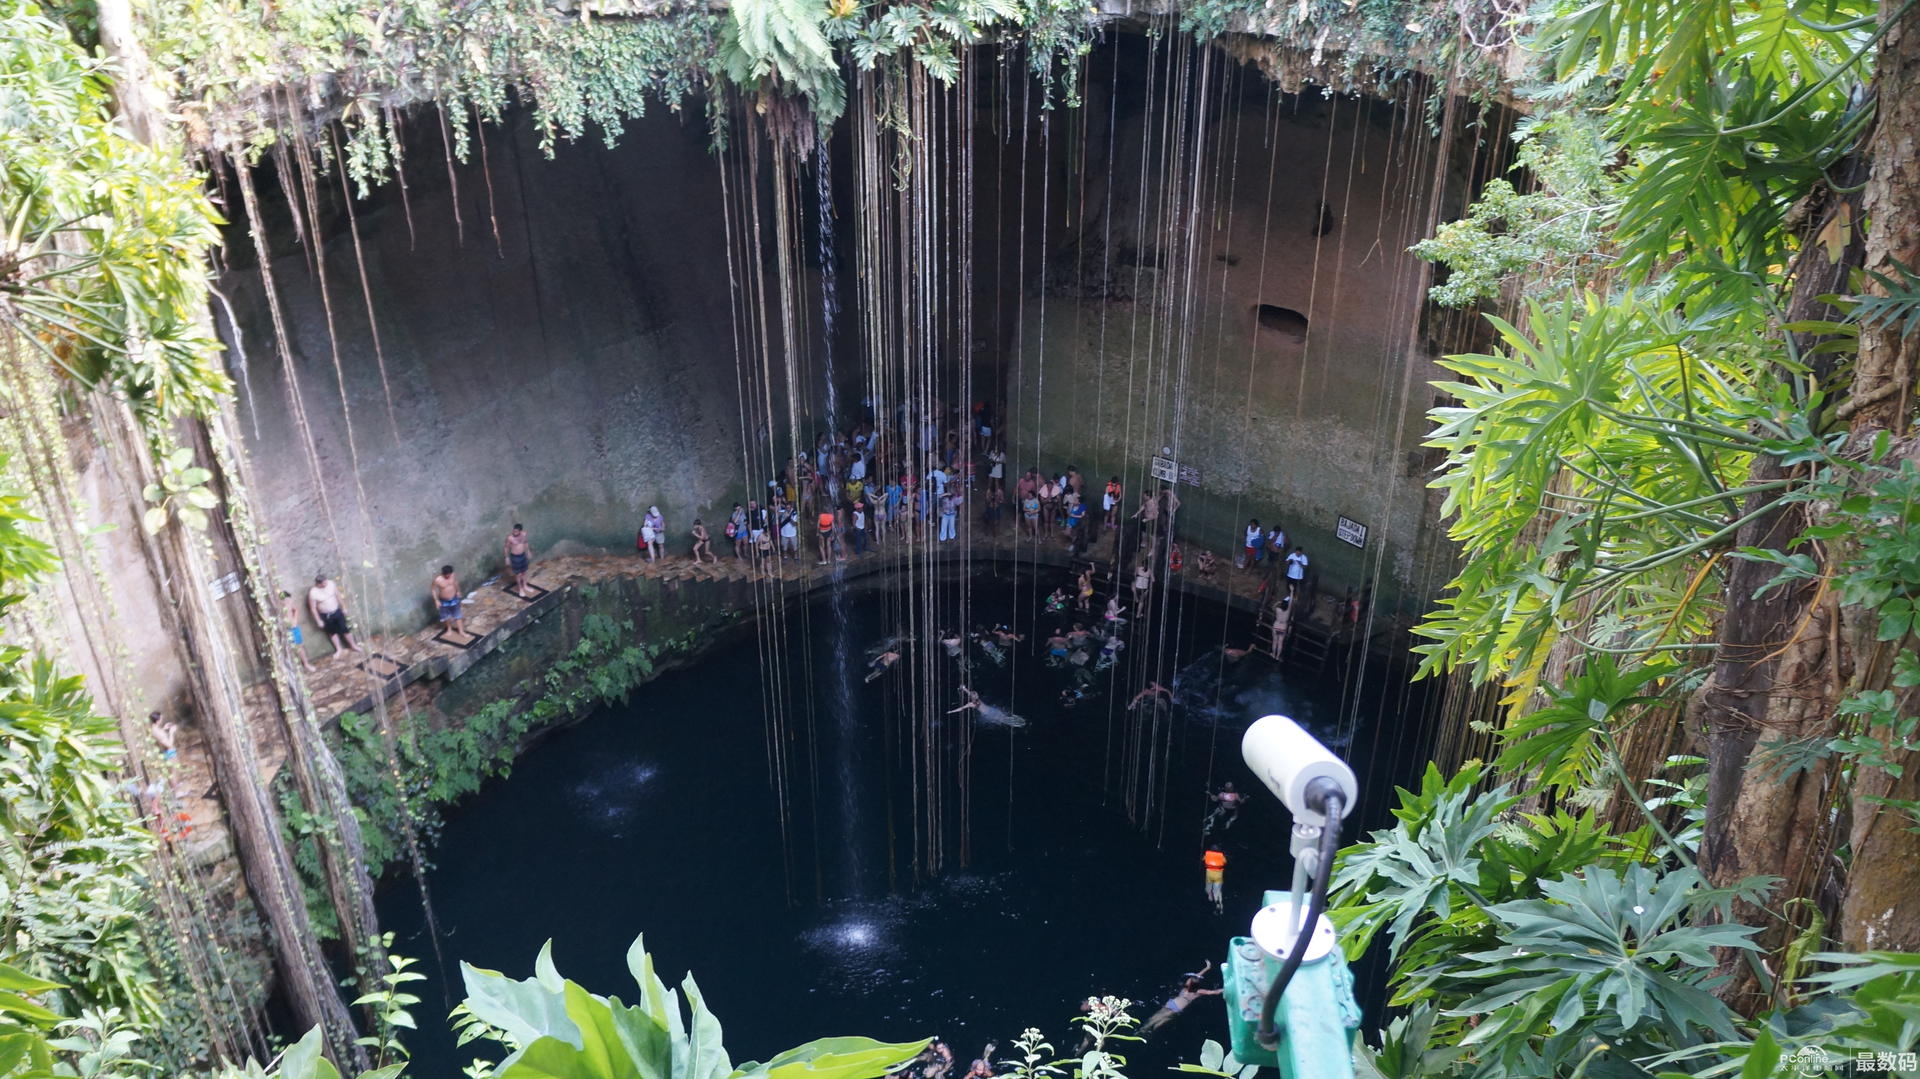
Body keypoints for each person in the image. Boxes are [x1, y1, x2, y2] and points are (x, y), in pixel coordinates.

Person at [1139, 967, 1222, 1036]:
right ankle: (1147, 1034)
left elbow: (1197, 976)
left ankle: (1142, 1031)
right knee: (1161, 1021)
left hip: (1172, 1003)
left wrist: (1207, 968)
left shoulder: (1187, 986)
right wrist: (1225, 988)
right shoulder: (1198, 992)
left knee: (1156, 1018)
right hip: (1177, 1008)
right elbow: (1214, 992)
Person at [308, 574, 358, 654]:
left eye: (326, 582)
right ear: (318, 584)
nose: (326, 584)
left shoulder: (331, 584)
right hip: (325, 615)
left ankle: (353, 645)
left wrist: (344, 607)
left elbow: (338, 596)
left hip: (337, 611)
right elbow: (313, 608)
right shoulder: (313, 592)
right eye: (324, 583)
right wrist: (318, 620)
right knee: (332, 632)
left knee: (345, 629)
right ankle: (339, 649)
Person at [278, 590, 315, 671]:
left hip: (294, 628)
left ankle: (306, 664)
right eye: (285, 600)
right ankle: (292, 668)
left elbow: (296, 610)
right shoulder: (278, 608)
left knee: (299, 646)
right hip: (285, 630)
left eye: (288, 599)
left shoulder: (290, 604)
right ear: (280, 601)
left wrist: (295, 619)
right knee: (287, 648)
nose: (287, 601)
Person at [432, 564, 467, 637]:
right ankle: (449, 629)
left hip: (454, 599)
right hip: (444, 601)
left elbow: (455, 583)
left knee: (458, 615)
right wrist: (436, 600)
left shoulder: (453, 575)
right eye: (447, 575)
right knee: (446, 616)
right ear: (443, 573)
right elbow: (433, 590)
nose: (448, 576)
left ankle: (461, 631)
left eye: (449, 574)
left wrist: (458, 591)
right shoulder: (437, 580)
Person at [505, 523, 534, 596]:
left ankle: (525, 585)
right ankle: (520, 588)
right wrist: (507, 557)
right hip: (515, 557)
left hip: (522, 555)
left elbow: (526, 543)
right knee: (518, 574)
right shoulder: (510, 538)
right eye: (513, 531)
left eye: (516, 531)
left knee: (524, 572)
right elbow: (506, 547)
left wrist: (528, 551)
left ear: (520, 531)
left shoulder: (523, 535)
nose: (514, 532)